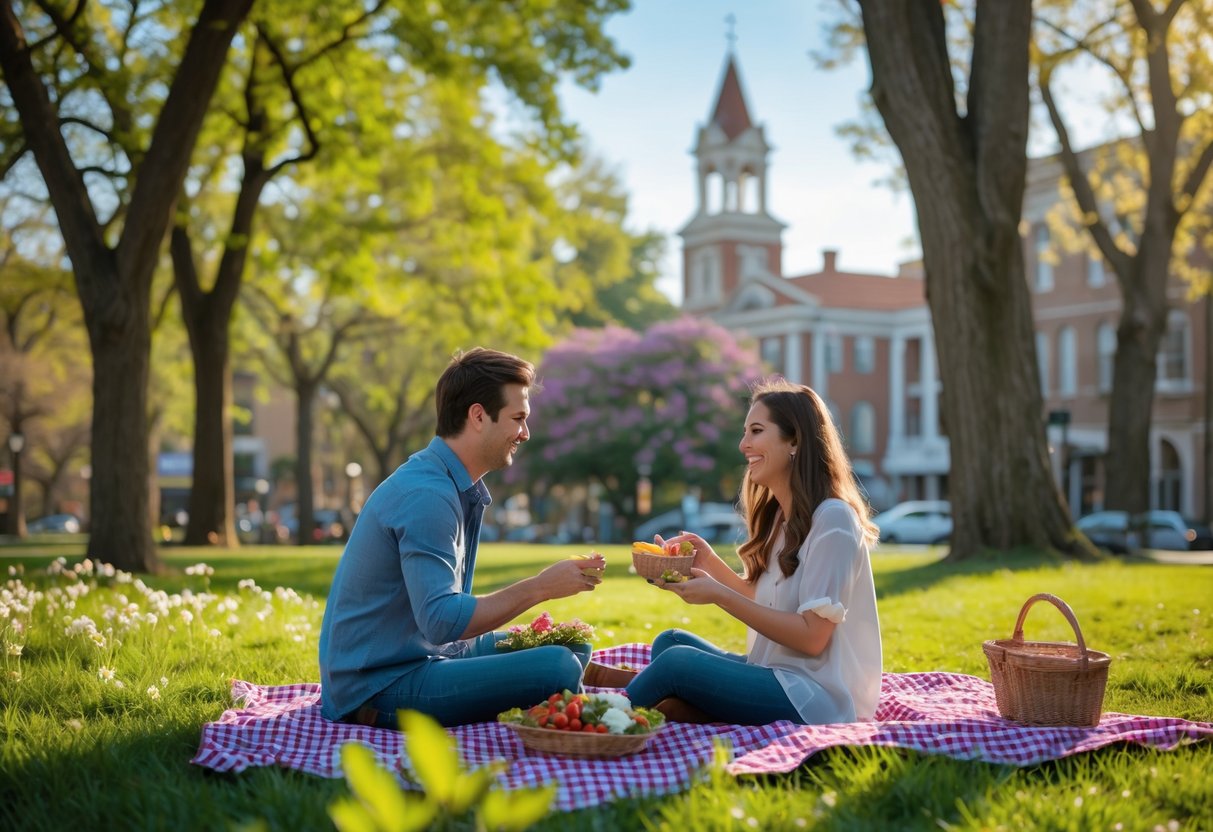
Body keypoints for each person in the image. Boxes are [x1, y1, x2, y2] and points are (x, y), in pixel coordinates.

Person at [318, 347, 606, 728]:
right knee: (555, 667)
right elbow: (441, 621)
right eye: (518, 418)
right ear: (478, 416)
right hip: (378, 684)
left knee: (572, 646)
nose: (525, 433)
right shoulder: (428, 495)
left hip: (428, 655)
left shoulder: (447, 483)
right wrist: (540, 587)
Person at [625, 378, 881, 725]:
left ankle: (603, 718)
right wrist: (708, 562)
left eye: (756, 431)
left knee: (677, 664)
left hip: (814, 697)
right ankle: (688, 708)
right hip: (774, 671)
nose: (744, 444)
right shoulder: (782, 517)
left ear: (795, 440)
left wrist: (718, 596)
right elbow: (762, 598)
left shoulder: (833, 519)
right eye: (745, 432)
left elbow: (812, 638)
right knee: (669, 643)